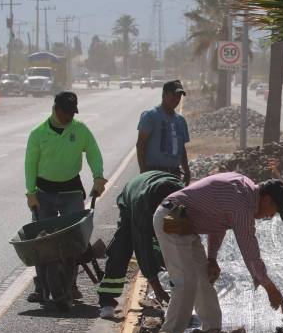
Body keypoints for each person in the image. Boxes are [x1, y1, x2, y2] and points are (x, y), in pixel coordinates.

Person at [154, 172, 283, 333]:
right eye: (274, 210)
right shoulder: (243, 205)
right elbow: (250, 250)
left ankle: (212, 331)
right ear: (267, 199)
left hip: (185, 223)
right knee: (186, 280)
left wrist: (211, 258)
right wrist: (269, 286)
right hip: (172, 218)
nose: (270, 215)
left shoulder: (244, 187)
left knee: (203, 279)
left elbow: (217, 223)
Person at [24, 91, 106, 309]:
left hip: (71, 189)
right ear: (55, 109)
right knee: (42, 243)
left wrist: (98, 177)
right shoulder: (38, 133)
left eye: (72, 112)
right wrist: (30, 193)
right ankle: (41, 286)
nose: (69, 116)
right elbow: (30, 164)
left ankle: (71, 284)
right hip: (44, 192)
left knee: (73, 241)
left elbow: (94, 154)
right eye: (66, 112)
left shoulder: (80, 130)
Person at [96, 171, 185, 319]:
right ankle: (107, 301)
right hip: (132, 197)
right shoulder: (141, 205)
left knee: (173, 241)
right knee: (123, 246)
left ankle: (174, 286)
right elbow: (142, 248)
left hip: (159, 184)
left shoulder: (183, 197)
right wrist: (158, 290)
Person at [137, 80, 191, 182]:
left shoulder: (181, 120)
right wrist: (143, 173)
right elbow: (140, 145)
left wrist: (187, 171)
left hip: (175, 174)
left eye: (179, 96)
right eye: (174, 95)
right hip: (153, 174)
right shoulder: (150, 116)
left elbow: (182, 149)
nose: (177, 99)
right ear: (164, 94)